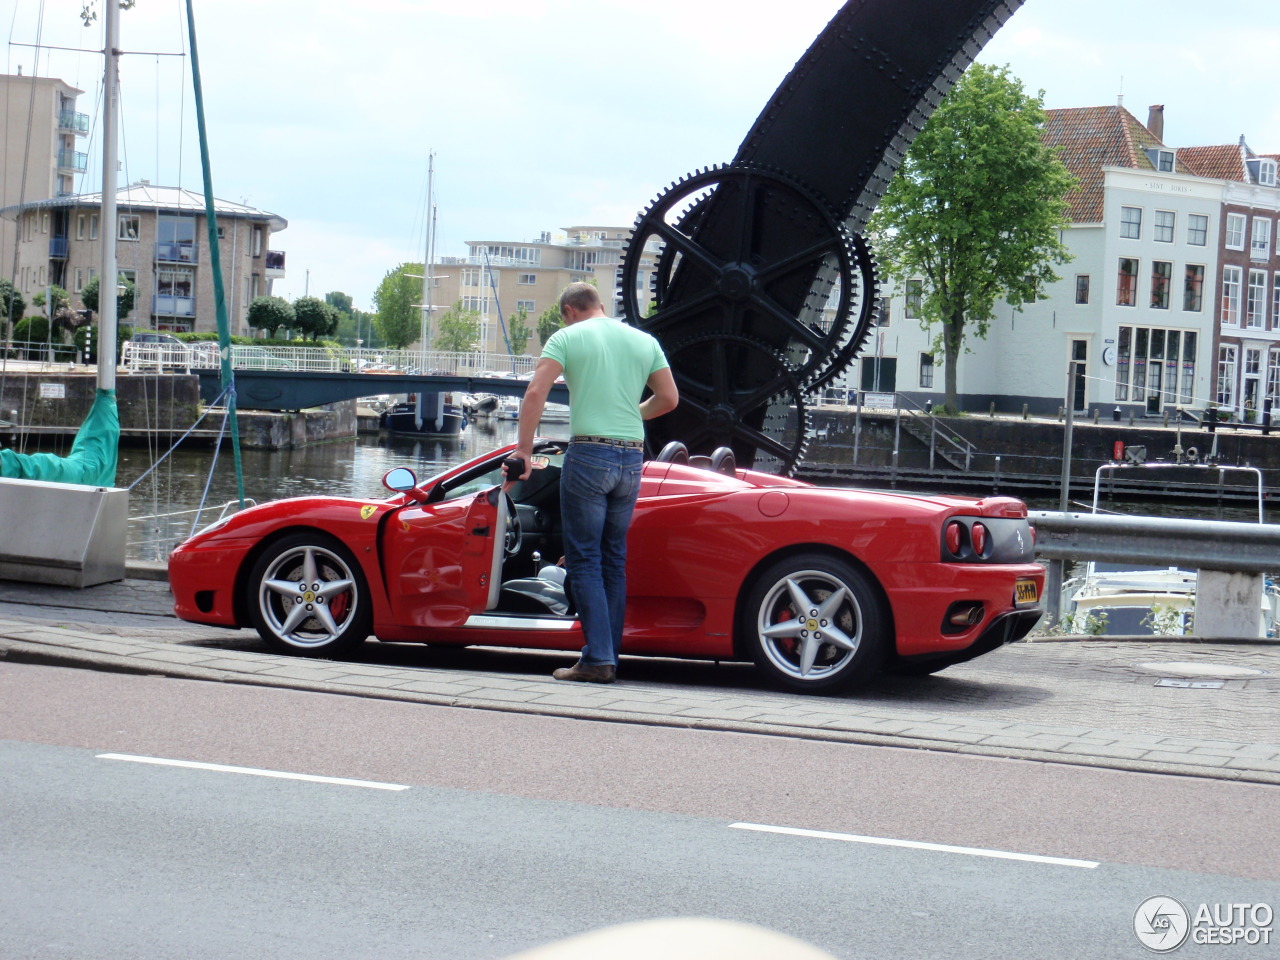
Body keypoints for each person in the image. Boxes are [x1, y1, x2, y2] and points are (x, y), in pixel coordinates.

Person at [507, 282, 678, 683]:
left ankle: (598, 659)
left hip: (589, 455)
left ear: (568, 310)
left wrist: (524, 452)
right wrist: (630, 412)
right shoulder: (643, 340)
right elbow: (669, 398)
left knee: (583, 557)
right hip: (631, 457)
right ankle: (608, 655)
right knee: (613, 559)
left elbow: (535, 392)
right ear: (599, 305)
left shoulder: (567, 336)